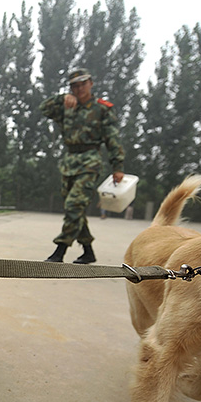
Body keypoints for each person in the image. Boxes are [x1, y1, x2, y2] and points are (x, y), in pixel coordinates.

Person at [40, 68, 125, 264]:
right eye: (74, 86)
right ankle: (88, 251)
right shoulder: (67, 106)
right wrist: (62, 99)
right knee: (75, 210)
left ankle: (59, 251)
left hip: (90, 160)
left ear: (91, 83)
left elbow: (113, 138)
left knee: (74, 205)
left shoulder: (102, 108)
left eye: (83, 84)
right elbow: (44, 108)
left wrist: (117, 166)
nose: (79, 89)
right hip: (69, 161)